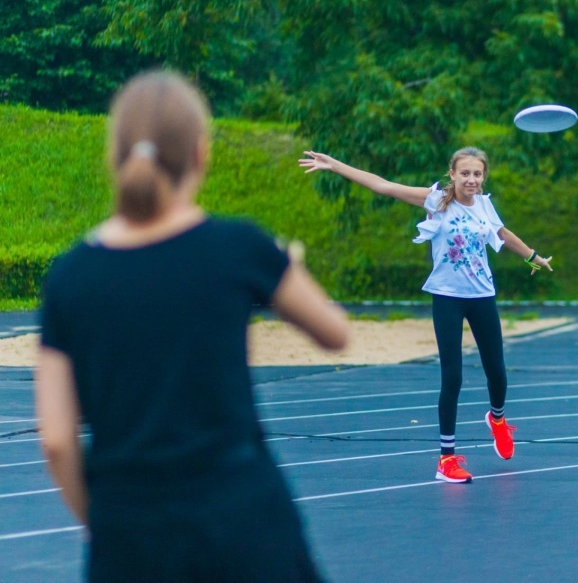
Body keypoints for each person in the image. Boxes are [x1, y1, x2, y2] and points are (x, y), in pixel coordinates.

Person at [35, 71, 349, 582]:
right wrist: (286, 265)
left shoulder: (70, 277)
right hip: (242, 520)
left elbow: (56, 439)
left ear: (114, 155)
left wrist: (104, 521)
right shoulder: (239, 247)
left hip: (129, 533)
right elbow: (335, 332)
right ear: (201, 155)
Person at [298, 148, 553, 484]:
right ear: (452, 174)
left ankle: (498, 419)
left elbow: (502, 235)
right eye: (465, 173)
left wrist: (533, 257)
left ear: (484, 177)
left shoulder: (484, 205)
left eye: (477, 174)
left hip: (482, 296)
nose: (471, 180)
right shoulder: (436, 200)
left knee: (497, 372)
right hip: (447, 298)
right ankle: (446, 460)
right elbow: (383, 186)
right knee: (453, 377)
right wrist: (335, 166)